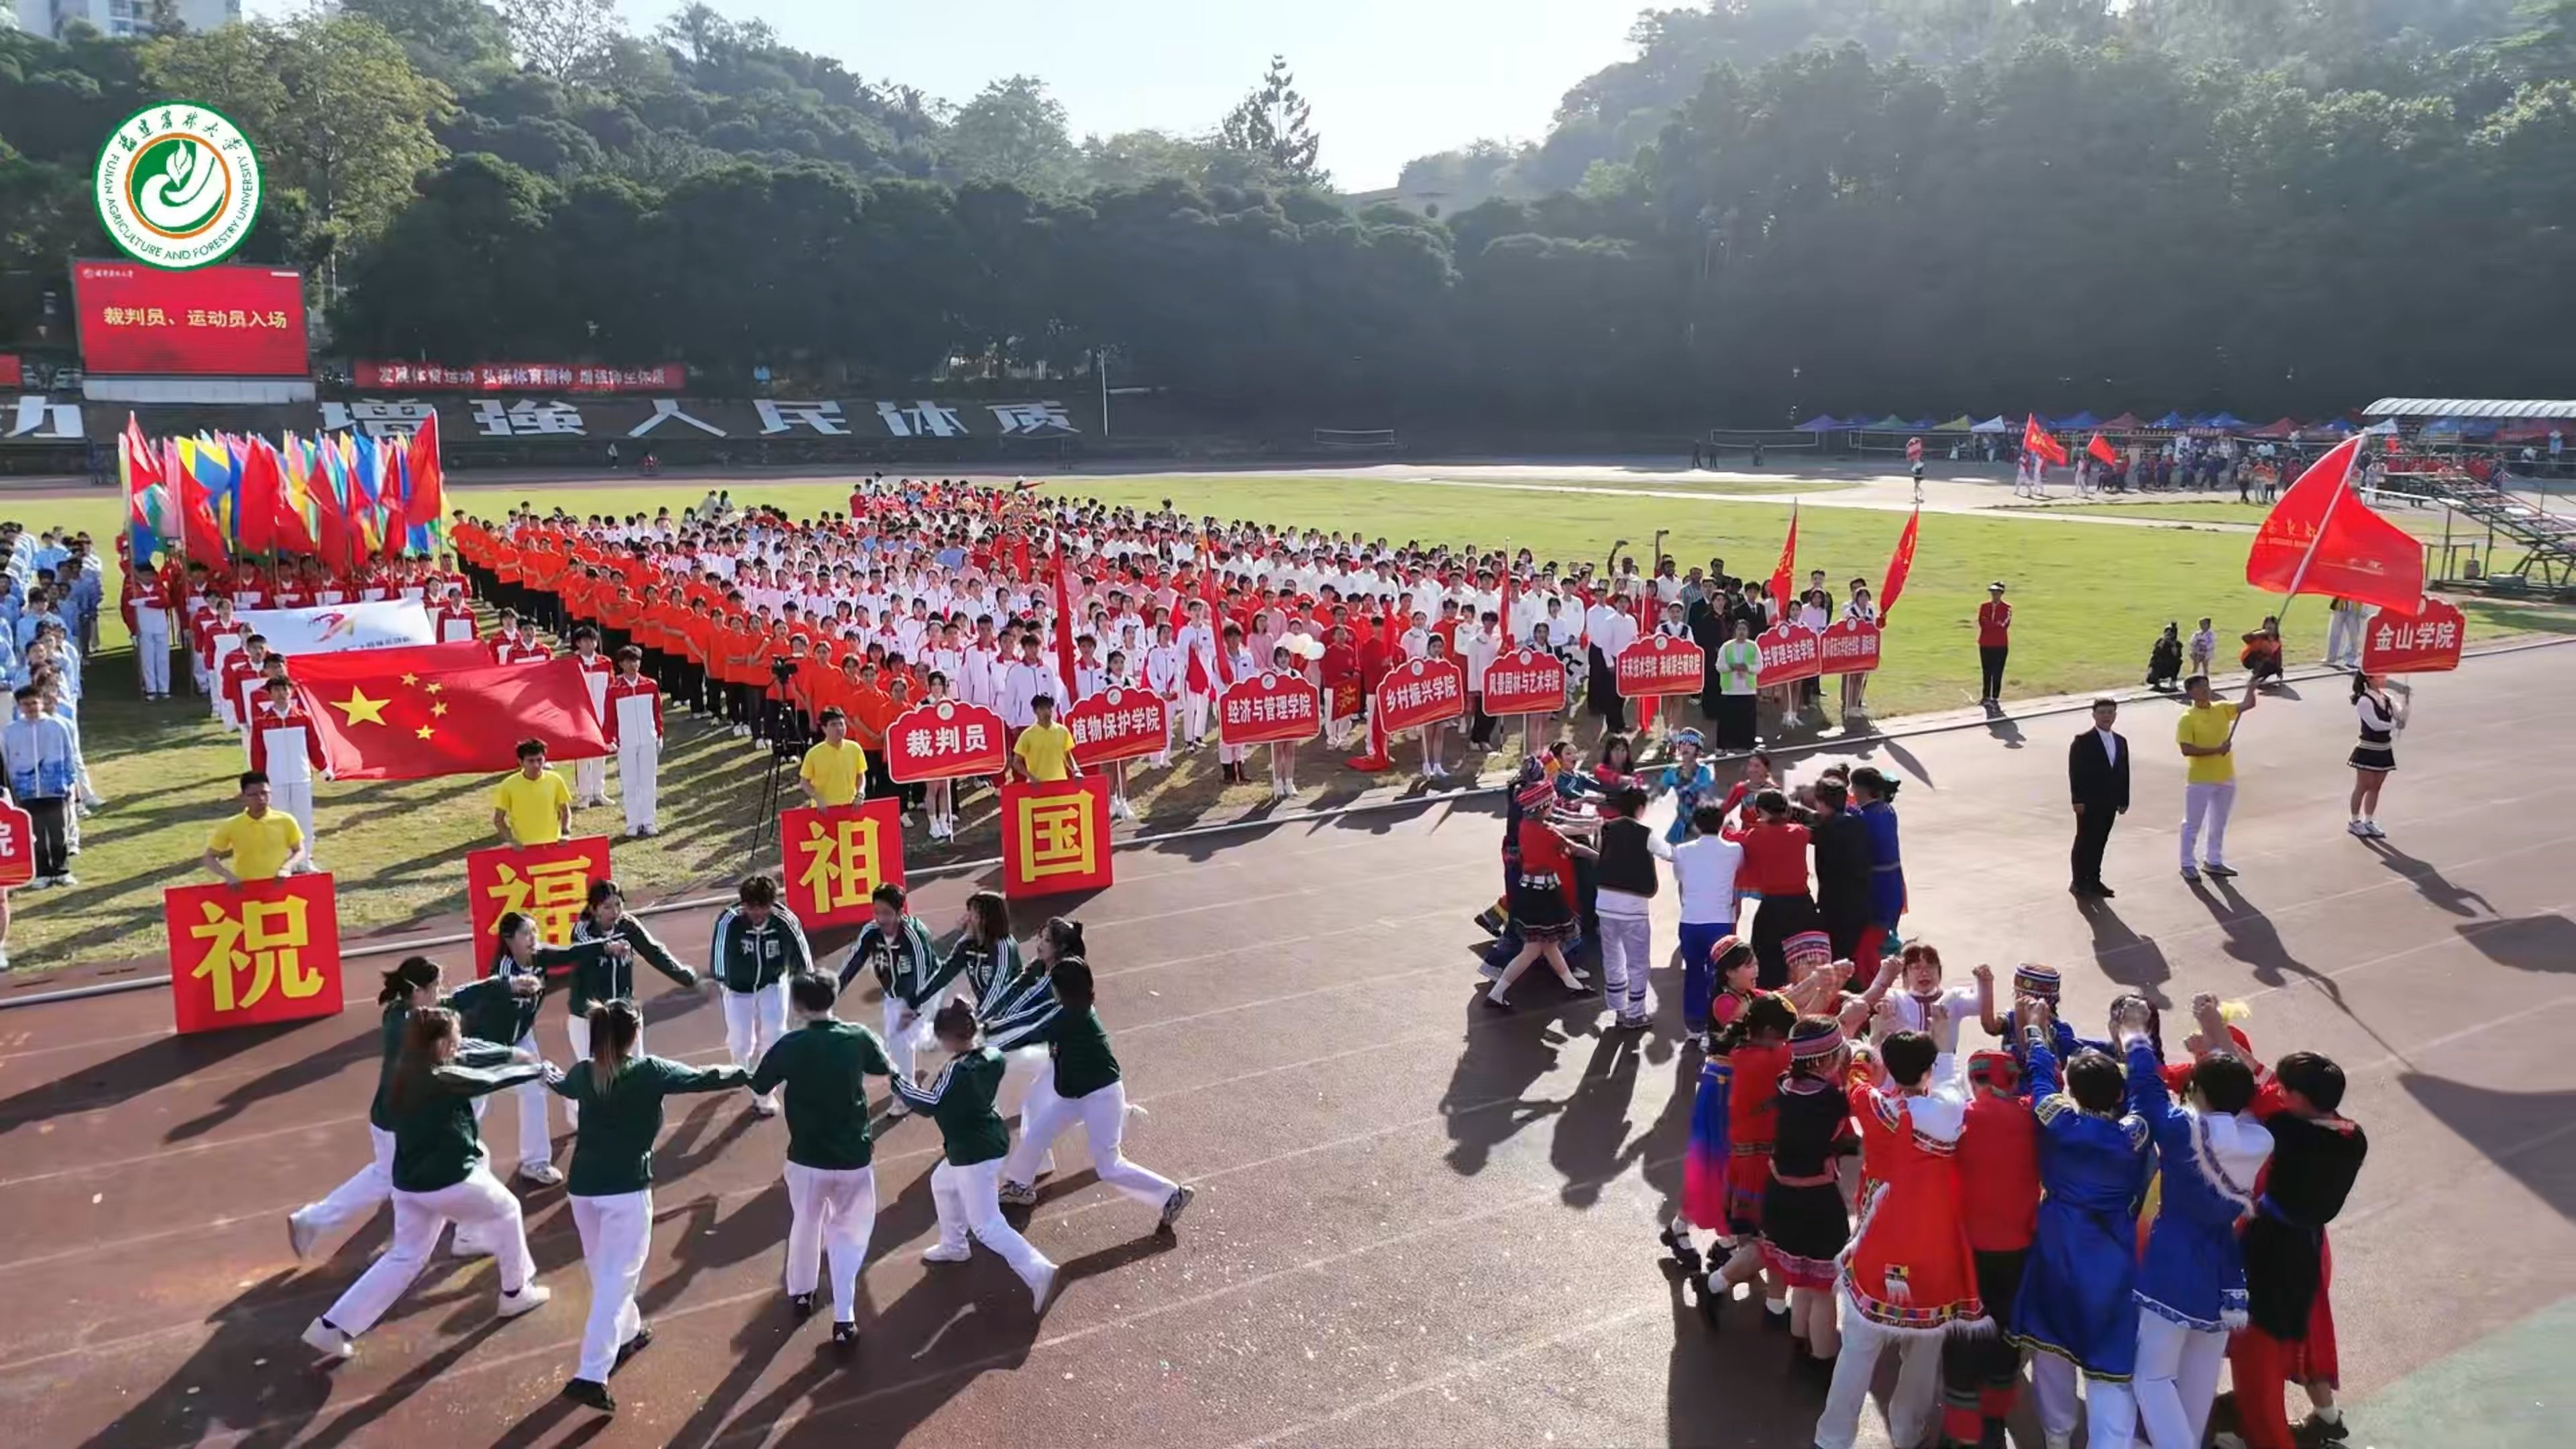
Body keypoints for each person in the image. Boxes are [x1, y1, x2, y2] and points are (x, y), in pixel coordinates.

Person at [299, 1008, 554, 1361]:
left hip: (409, 1185)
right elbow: (483, 1082)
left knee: (405, 1256)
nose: (460, 1042)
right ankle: (515, 1292)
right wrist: (535, 1070)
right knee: (508, 1209)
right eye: (454, 1037)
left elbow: (472, 1061)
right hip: (447, 1180)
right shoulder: (439, 1077)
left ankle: (331, 1327)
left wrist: (512, 1056)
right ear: (438, 1043)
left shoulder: (407, 1069)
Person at [548, 1000, 750, 1413]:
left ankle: (629, 1333)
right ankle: (590, 1372)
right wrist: (751, 1072)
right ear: (635, 1033)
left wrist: (542, 1072)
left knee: (603, 1270)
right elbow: (703, 1078)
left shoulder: (584, 1073)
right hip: (626, 1190)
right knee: (617, 1282)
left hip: (583, 1188)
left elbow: (561, 1084)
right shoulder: (649, 1072)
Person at [1814, 1030, 1984, 1449]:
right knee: (1923, 1352)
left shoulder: (1876, 1107)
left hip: (1879, 1241)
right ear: (1927, 1071)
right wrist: (1944, 1049)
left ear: (1889, 1068)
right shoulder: (1947, 1113)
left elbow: (1856, 1079)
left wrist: (1866, 1047)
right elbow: (1952, 1085)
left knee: (1857, 1350)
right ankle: (1907, 1432)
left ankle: (1833, 1438)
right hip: (1934, 1247)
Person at [287, 956, 515, 1259]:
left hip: (389, 1117)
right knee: (472, 1158)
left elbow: (454, 999)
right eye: (435, 987)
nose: (440, 992)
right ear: (416, 990)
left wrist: (503, 983)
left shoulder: (401, 1013)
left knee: (386, 1175)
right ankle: (467, 1236)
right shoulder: (411, 1025)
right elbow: (447, 1014)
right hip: (401, 1121)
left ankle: (313, 1220)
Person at [2129, 996, 2271, 1449]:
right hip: (2223, 1266)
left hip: (2173, 1262)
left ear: (2199, 1093)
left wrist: (2134, 1036)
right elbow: (2246, 1095)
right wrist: (2216, 1036)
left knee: (2150, 1378)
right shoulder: (2259, 1139)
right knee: (2197, 1379)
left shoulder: (2182, 1130)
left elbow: (2148, 1094)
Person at [2011, 997, 2151, 1449]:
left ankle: (2056, 1436)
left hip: (2057, 1241)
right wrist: (2132, 1040)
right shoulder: (2133, 1134)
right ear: (2117, 1094)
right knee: (2111, 1356)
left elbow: (2039, 1075)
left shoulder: (2056, 1120)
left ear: (2071, 1089)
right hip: (2111, 1249)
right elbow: (2146, 1091)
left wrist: (2034, 1028)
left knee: (2051, 1344)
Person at [750, 972, 898, 1348]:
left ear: (797, 1006)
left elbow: (760, 1083)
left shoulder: (791, 1043)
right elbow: (885, 1067)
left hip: (806, 1157)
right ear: (834, 997)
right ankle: (845, 1317)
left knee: (805, 1223)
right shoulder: (856, 1037)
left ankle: (801, 1291)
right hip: (853, 1157)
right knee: (848, 1237)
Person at [2229, 1050, 2369, 1449]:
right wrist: (2239, 1052)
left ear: (2301, 1100)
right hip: (2306, 1252)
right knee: (2306, 1337)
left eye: (2287, 1091)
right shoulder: (2351, 1136)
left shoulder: (2291, 1135)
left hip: (2273, 1254)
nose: (2280, 1093)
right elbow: (2271, 1085)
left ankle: (2267, 1435)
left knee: (2257, 1351)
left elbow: (2261, 1094)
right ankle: (2322, 1419)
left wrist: (2221, 1040)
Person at [994, 957, 1195, 1227]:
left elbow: (1029, 1034)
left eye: (1052, 984)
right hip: (1075, 1094)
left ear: (1062, 989)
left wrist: (984, 1043)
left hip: (1101, 1096)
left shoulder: (1069, 1017)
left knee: (1109, 1165)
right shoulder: (1073, 1009)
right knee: (1039, 1131)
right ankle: (1019, 1185)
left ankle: (1172, 1195)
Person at [893, 1000, 1060, 1313]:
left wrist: (898, 1081)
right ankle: (954, 1245)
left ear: (951, 1039)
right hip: (988, 1139)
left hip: (973, 1152)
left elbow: (929, 1104)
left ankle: (1040, 1272)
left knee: (986, 1225)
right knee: (942, 1183)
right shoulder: (992, 1056)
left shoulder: (957, 1069)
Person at [1939, 1046, 2041, 1449]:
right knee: (2005, 1332)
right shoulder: (2034, 1118)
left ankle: (1962, 1430)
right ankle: (1995, 1417)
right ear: (2013, 1081)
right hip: (2019, 1246)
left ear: (1975, 1079)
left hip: (1969, 1249)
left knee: (1965, 1337)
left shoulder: (1962, 1117)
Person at [1766, 1016, 1858, 1379]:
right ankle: (1822, 1362)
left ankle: (1800, 1342)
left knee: (1801, 1279)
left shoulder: (1784, 1085)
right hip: (1817, 1202)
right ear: (1824, 1060)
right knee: (1824, 1290)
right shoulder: (1831, 1101)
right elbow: (1846, 1127)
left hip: (1780, 1196)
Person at [564, 879, 702, 1104]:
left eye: (619, 905)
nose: (615, 912)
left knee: (635, 1066)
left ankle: (638, 1114)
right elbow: (584, 944)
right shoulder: (583, 929)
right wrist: (608, 947)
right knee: (590, 1072)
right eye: (607, 907)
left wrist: (686, 976)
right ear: (593, 909)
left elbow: (654, 951)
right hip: (588, 1016)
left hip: (623, 1012)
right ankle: (579, 1114)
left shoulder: (627, 926)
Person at [1481, 776, 1595, 1007]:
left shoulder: (1525, 825)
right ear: (1543, 806)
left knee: (1548, 944)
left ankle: (1572, 984)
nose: (1553, 805)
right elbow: (1573, 848)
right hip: (1544, 894)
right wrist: (1601, 857)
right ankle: (1497, 993)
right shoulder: (1547, 831)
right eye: (1551, 802)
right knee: (1534, 948)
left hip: (1531, 889)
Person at [839, 881, 954, 1105]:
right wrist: (834, 988)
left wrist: (913, 1009)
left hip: (926, 991)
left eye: (887, 914)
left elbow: (922, 976)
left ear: (901, 912)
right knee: (896, 1041)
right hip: (893, 993)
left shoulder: (914, 935)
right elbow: (855, 960)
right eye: (877, 913)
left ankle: (906, 1095)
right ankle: (933, 1037)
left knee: (901, 1041)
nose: (881, 919)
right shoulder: (871, 931)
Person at [708, 875, 812, 1117]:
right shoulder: (729, 920)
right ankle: (740, 1067)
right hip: (738, 989)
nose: (757, 913)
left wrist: (806, 984)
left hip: (772, 985)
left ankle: (764, 1091)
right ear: (743, 904)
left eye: (762, 907)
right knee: (742, 1041)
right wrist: (724, 979)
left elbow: (802, 955)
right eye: (751, 907)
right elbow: (718, 957)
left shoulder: (784, 920)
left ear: (772, 903)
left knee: (775, 1036)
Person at [1667, 804, 1745, 1033]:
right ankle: (1719, 1023)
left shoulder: (1681, 851)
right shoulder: (1735, 850)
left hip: (1691, 920)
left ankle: (1694, 1026)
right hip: (1721, 921)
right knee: (1721, 975)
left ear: (1696, 824)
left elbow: (1680, 880)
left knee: (1693, 972)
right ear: (1721, 823)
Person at [2178, 672, 2259, 883]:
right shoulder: (2187, 719)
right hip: (2200, 779)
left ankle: (2213, 860)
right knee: (2192, 823)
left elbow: (2248, 705)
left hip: (2226, 776)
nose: (2206, 691)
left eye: (2207, 686)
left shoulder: (2221, 708)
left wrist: (2251, 687)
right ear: (2191, 693)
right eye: (2200, 688)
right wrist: (2217, 749)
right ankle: (2187, 864)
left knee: (2218, 822)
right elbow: (2187, 750)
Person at [1589, 785, 1658, 1031]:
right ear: (1640, 808)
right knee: (1637, 962)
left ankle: (1618, 1009)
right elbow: (1669, 853)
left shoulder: (1606, 828)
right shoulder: (1645, 833)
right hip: (1633, 907)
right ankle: (1636, 1013)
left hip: (1605, 904)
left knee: (1613, 958)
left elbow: (1599, 854)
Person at [247, 678, 325, 869]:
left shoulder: (303, 717)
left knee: (303, 819)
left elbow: (314, 745)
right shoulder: (262, 722)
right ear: (270, 694)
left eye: (285, 690)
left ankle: (304, 860)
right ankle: (283, 861)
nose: (281, 694)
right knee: (279, 819)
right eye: (276, 690)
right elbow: (258, 752)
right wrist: (259, 779)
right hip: (275, 778)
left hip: (301, 776)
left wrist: (323, 767)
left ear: (291, 692)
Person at [4, 684, 76, 887]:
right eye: (25, 704)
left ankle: (62, 869)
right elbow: (8, 761)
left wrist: (70, 782)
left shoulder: (57, 726)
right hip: (26, 791)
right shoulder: (11, 732)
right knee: (34, 834)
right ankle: (42, 872)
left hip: (54, 787)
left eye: (34, 703)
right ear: (19, 706)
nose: (30, 708)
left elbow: (69, 755)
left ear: (42, 702)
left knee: (58, 832)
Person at [2068, 697, 2131, 898]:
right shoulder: (2083, 741)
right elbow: (2075, 773)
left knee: (2100, 841)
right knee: (2085, 840)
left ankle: (2094, 880)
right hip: (2089, 802)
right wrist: (2077, 800)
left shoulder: (2120, 741)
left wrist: (2123, 800)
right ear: (2094, 715)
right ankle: (2078, 882)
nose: (2106, 716)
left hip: (2110, 801)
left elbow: (2124, 772)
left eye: (2110, 712)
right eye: (2102, 712)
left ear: (2115, 716)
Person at [203, 769, 309, 886]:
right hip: (246, 888)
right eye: (253, 795)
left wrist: (286, 868)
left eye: (265, 793)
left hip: (278, 886)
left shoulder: (286, 821)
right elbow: (210, 857)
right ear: (242, 797)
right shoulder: (231, 825)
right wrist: (227, 875)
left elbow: (299, 850)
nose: (261, 799)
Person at [602, 646, 663, 838]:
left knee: (648, 782)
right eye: (628, 661)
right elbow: (610, 717)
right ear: (621, 664)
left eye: (636, 660)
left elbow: (657, 713)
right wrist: (609, 739)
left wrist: (659, 735)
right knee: (630, 783)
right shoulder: (614, 689)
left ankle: (649, 821)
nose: (633, 665)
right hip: (626, 742)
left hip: (648, 739)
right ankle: (633, 823)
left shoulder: (650, 685)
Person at [2346, 672, 2408, 839]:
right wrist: (2395, 725)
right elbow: (2375, 725)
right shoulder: (2365, 701)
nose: (2384, 679)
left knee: (2376, 787)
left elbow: (2401, 716)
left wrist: (2405, 700)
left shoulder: (2387, 698)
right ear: (2369, 679)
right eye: (2379, 677)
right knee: (2363, 786)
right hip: (2368, 748)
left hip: (2383, 749)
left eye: (2384, 676)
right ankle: (2354, 821)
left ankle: (2369, 820)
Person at [492, 739, 573, 847]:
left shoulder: (555, 780)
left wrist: (565, 833)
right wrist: (511, 841)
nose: (536, 765)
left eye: (539, 760)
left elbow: (565, 811)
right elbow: (499, 820)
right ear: (521, 762)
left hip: (552, 845)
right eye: (531, 761)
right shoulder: (508, 785)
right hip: (523, 849)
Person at [799, 706, 868, 808]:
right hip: (825, 810)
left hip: (849, 808)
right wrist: (817, 797)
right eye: (833, 725)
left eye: (842, 724)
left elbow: (860, 775)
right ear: (824, 729)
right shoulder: (813, 754)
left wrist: (860, 793)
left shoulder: (855, 749)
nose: (839, 728)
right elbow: (804, 782)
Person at [1011, 693, 1079, 783]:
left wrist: (1076, 770)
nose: (1046, 712)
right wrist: (1031, 777)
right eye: (1042, 708)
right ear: (1035, 711)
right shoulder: (1027, 735)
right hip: (1038, 786)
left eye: (1049, 708)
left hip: (1060, 784)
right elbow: (1017, 762)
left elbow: (1067, 755)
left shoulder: (1062, 731)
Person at [1975, 582, 2012, 705]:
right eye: (1992, 592)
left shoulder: (2007, 608)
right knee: (1987, 671)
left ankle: (1994, 697)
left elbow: (2004, 624)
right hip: (1986, 644)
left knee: (1997, 672)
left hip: (2000, 645)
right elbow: (1982, 622)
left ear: (2001, 593)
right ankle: (1985, 696)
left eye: (1996, 592)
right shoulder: (1984, 606)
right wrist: (1993, 625)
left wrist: (1991, 625)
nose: (1994, 595)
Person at [2241, 616, 2285, 688]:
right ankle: (2254, 677)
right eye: (2267, 623)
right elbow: (2245, 638)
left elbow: (2278, 656)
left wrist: (2279, 670)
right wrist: (2261, 633)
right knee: (2262, 657)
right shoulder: (2260, 635)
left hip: (2262, 659)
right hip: (2248, 658)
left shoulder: (2276, 642)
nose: (2269, 625)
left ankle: (2260, 678)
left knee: (2272, 666)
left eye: (2272, 624)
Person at [2146, 623, 2184, 690]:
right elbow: (2156, 652)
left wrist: (2173, 645)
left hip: (2170, 665)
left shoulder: (2178, 644)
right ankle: (2156, 684)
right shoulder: (2160, 641)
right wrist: (2164, 641)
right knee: (2156, 663)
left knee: (2178, 662)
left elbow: (2177, 655)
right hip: (2160, 665)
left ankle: (2173, 684)